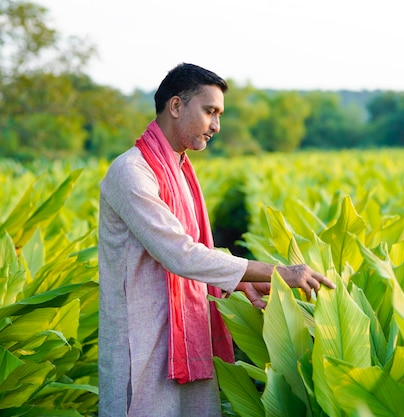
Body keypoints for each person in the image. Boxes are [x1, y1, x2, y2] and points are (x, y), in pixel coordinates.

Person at [97, 62, 335, 417]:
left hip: (188, 333)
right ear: (176, 106)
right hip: (143, 342)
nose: (216, 126)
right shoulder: (133, 173)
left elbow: (195, 250)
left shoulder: (178, 170)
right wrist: (277, 273)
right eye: (210, 111)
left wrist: (237, 285)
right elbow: (181, 253)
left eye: (219, 114)